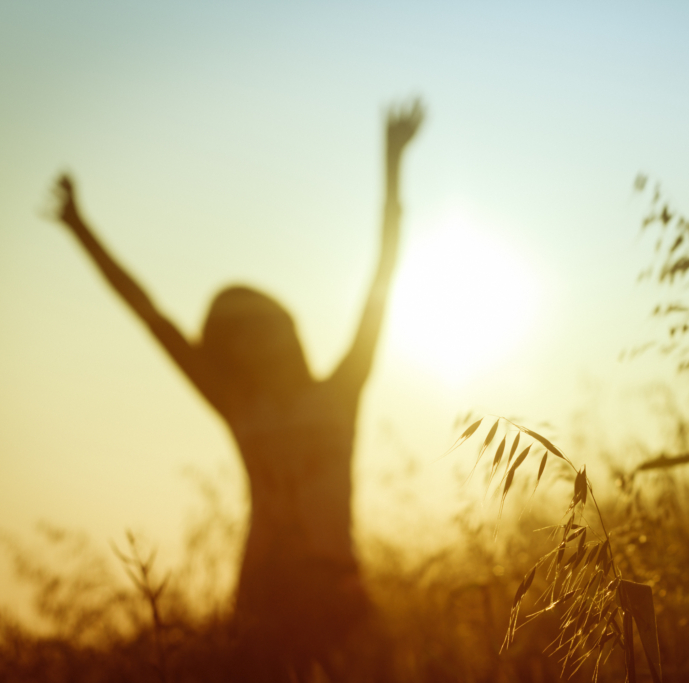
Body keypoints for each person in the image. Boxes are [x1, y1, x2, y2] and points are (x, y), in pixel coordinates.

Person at [49, 101, 424, 681]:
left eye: (261, 328)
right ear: (229, 349)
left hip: (338, 585)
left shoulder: (341, 389)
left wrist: (392, 162)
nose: (255, 343)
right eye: (238, 336)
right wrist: (80, 229)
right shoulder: (239, 403)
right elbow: (148, 313)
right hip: (264, 594)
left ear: (285, 329)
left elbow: (383, 273)